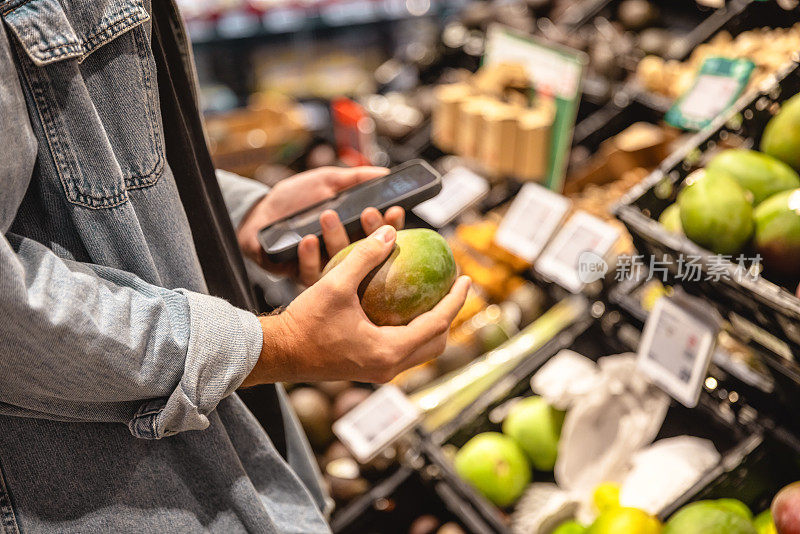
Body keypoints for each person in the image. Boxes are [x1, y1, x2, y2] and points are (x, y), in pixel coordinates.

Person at [0, 1, 469, 532]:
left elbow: (96, 162)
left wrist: (235, 213)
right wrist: (279, 347)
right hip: (117, 491)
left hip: (236, 447)